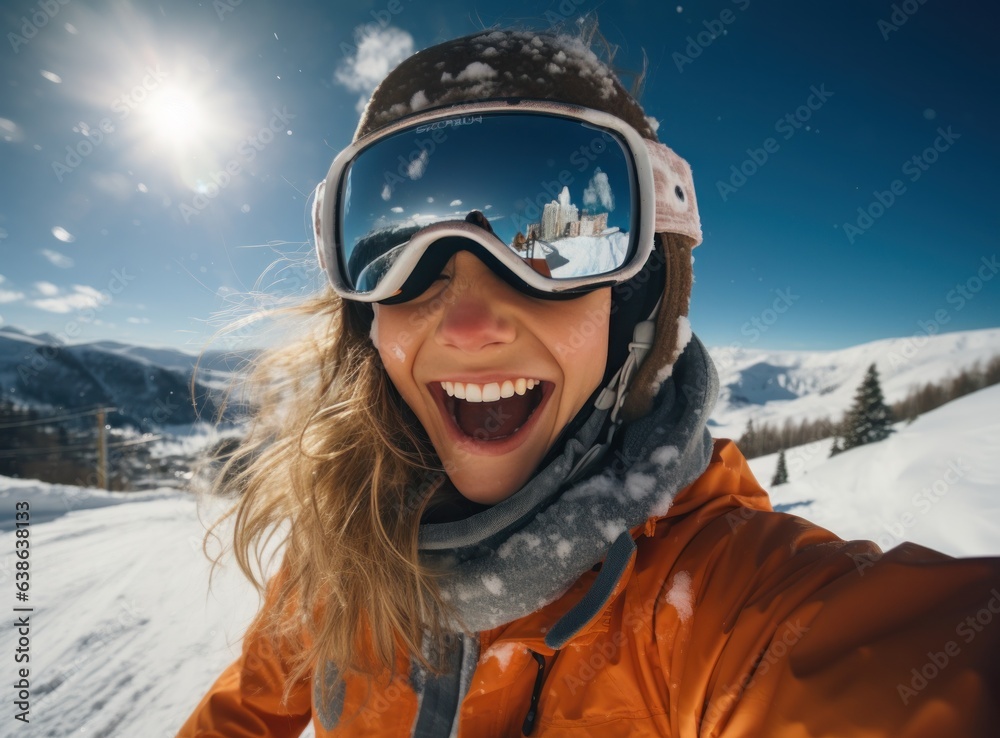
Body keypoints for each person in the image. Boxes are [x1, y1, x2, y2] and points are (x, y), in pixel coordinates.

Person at [177, 27, 1000, 737]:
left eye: (548, 257)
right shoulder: (348, 547)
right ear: (368, 326)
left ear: (639, 306)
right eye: (404, 262)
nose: (467, 325)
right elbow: (245, 712)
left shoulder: (717, 606)